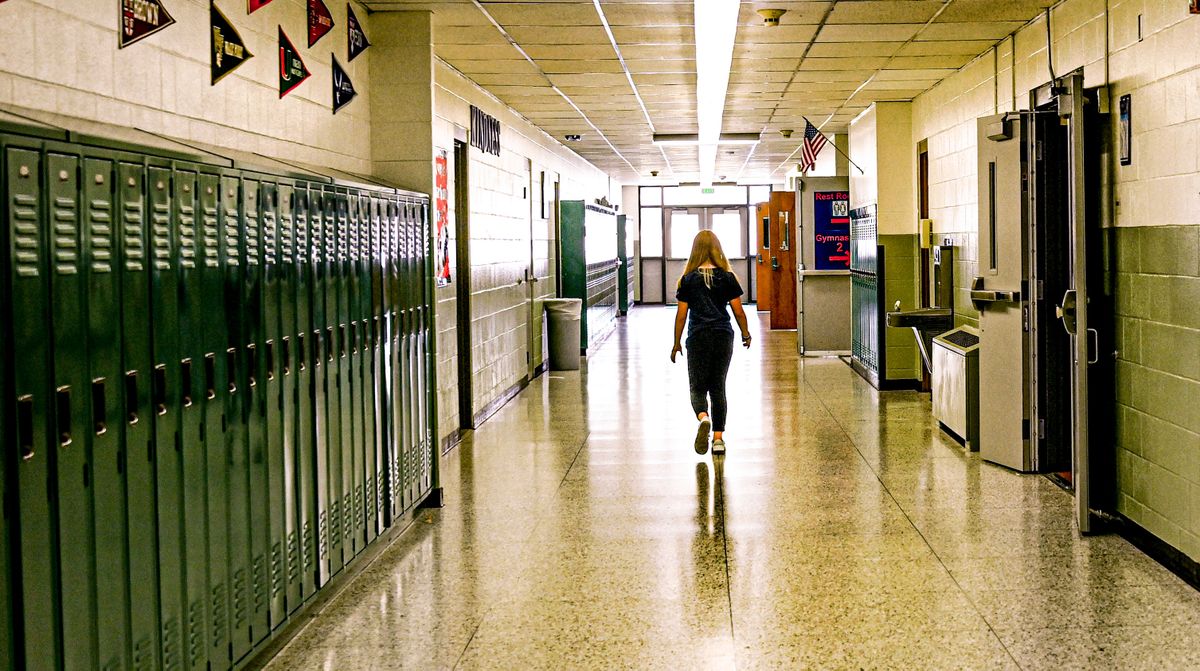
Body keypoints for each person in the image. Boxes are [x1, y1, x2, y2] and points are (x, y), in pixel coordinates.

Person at [670, 230, 751, 455]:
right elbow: (738, 311)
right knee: (718, 387)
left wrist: (676, 342)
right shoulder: (727, 277)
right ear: (718, 249)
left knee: (697, 387)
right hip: (723, 335)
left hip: (698, 337)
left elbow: (681, 315)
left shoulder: (687, 280)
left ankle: (703, 417)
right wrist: (746, 334)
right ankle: (718, 440)